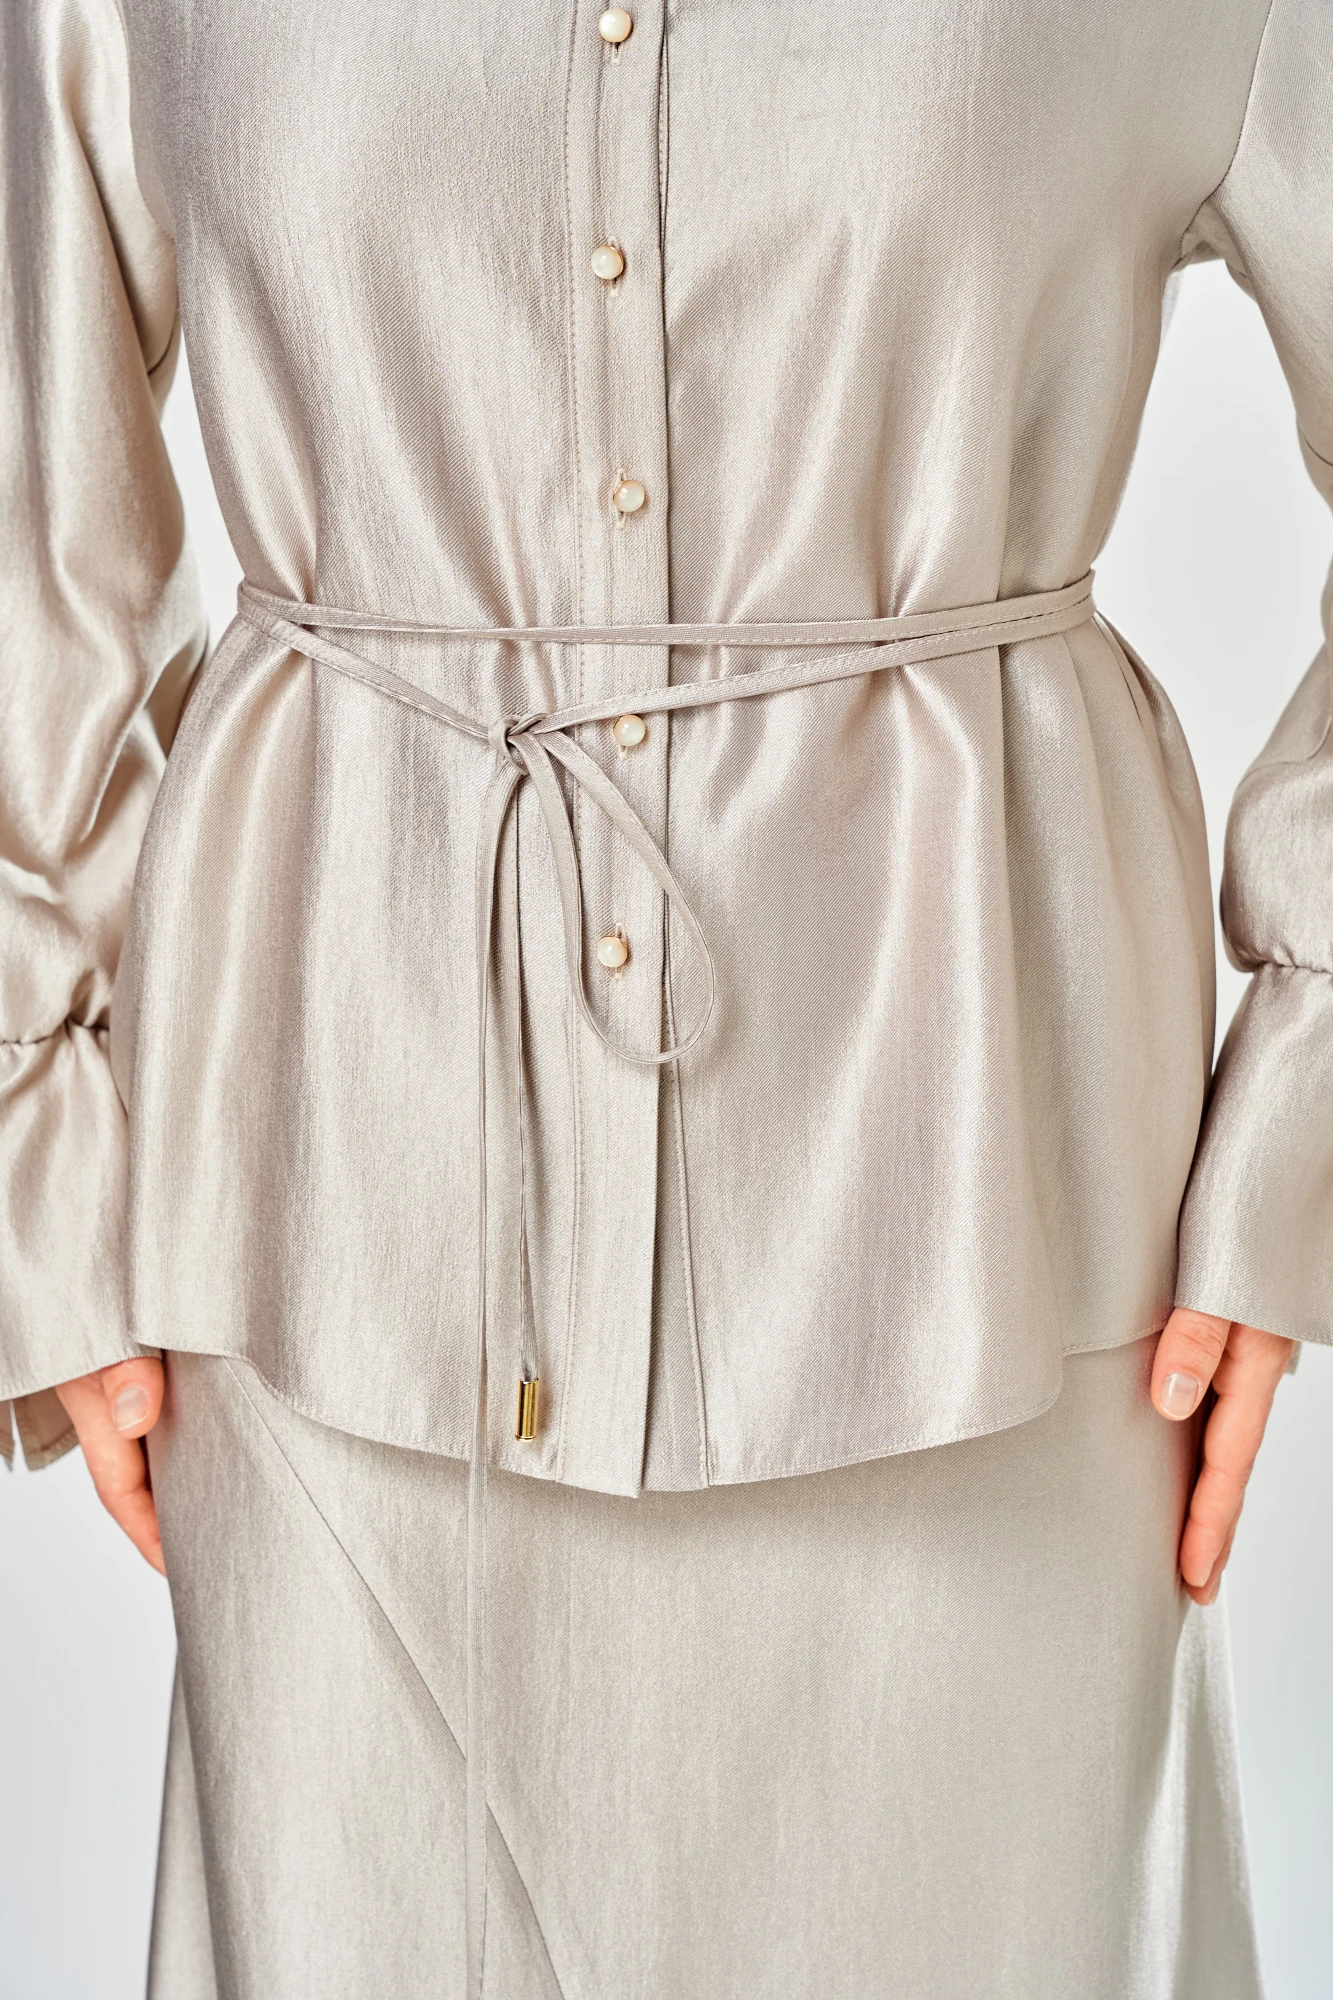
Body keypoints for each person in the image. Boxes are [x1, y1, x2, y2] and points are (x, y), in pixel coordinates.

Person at [2, 2, 1328, 1995]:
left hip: (982, 1230)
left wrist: (1308, 1097)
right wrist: (29, 1125)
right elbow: (25, 519)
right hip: (332, 1211)